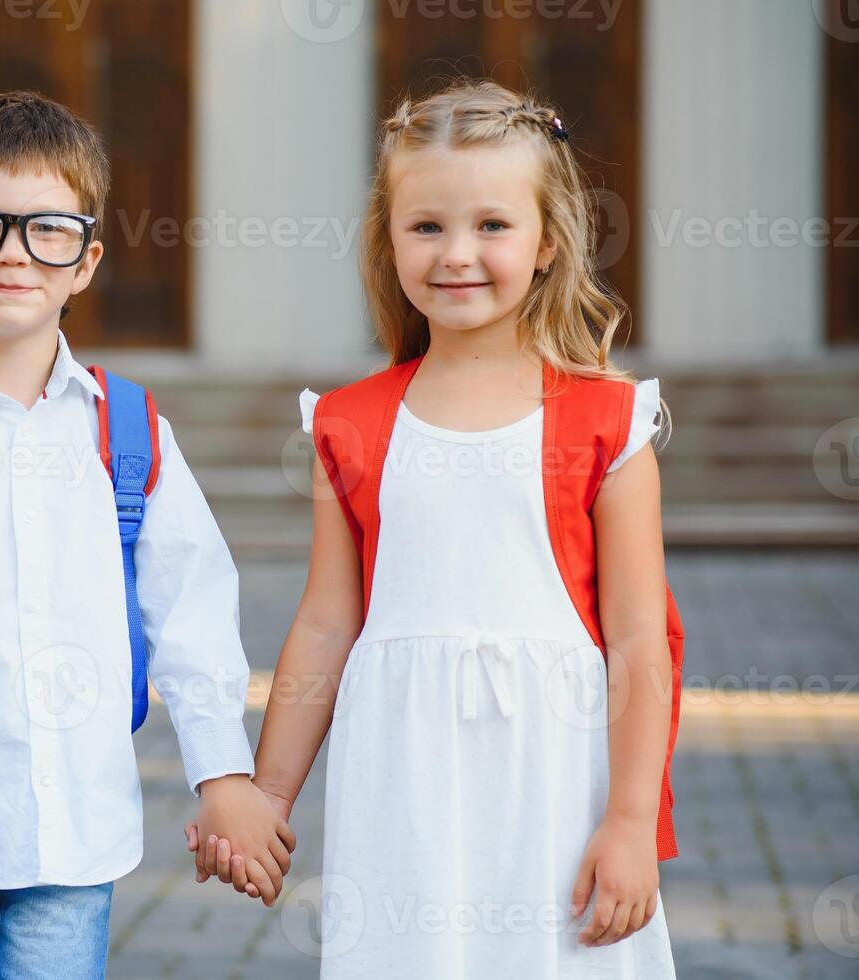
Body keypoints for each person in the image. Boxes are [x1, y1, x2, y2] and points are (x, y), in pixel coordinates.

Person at [188, 79, 681, 977]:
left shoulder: (607, 419)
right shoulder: (350, 422)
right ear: (390, 241)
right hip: (404, 775)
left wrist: (630, 820)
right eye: (427, 227)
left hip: (557, 773)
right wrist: (267, 793)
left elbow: (641, 638)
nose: (458, 254)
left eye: (493, 225)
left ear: (547, 245)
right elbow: (328, 623)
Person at [0, 90, 293, 979]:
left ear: (86, 261)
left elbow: (190, 605)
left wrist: (223, 774)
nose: (12, 254)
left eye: (48, 231)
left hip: (77, 834)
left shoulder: (128, 432)